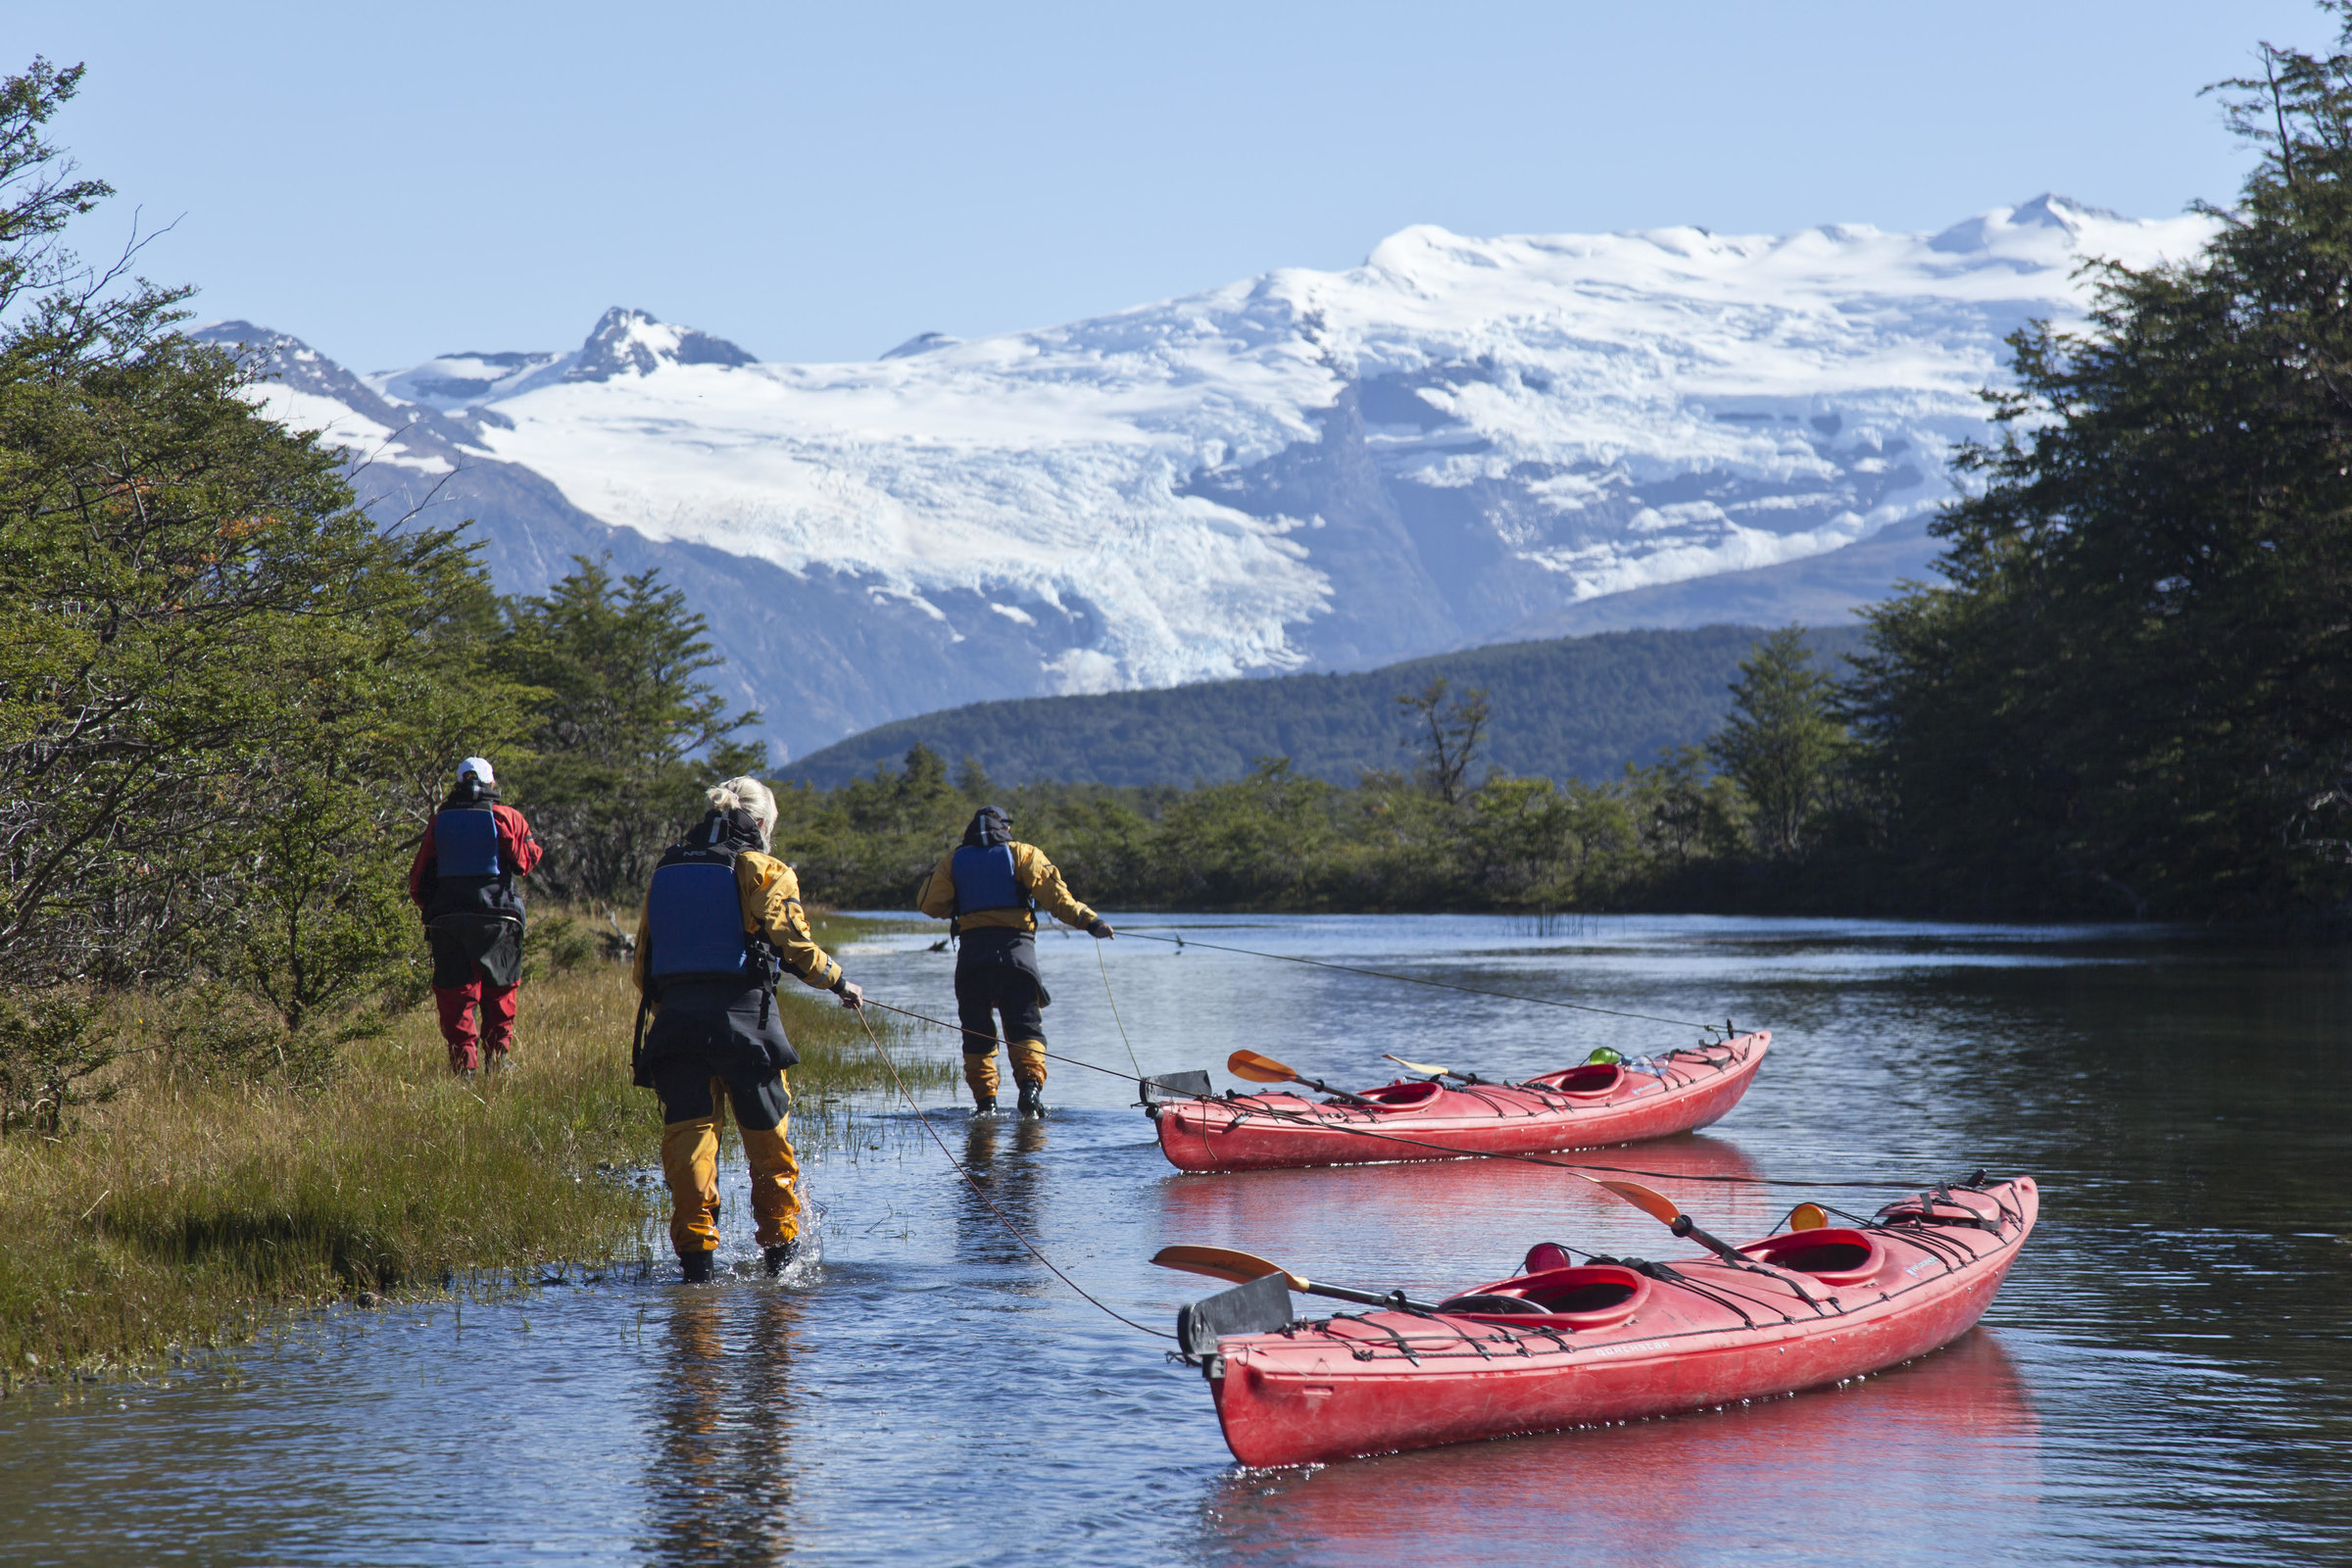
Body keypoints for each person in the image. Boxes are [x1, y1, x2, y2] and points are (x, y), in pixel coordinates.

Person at [632, 777, 863, 1284]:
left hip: (674, 1029)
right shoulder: (760, 866)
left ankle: (697, 1275)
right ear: (760, 824)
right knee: (769, 1149)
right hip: (745, 1029)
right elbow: (793, 943)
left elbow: (644, 960)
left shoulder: (666, 868)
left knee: (691, 1148)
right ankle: (782, 1265)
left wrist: (667, 1014)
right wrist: (838, 981)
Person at [916, 805, 1112, 1116]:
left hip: (973, 959)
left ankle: (985, 1105)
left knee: (976, 1032)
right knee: (1025, 1028)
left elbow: (929, 904)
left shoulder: (954, 860)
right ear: (1004, 828)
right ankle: (1030, 1093)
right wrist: (1091, 923)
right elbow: (1057, 899)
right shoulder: (1023, 853)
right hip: (1016, 958)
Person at [408, 757, 543, 1075]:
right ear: (491, 783)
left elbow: (418, 880)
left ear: (458, 782)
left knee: (456, 994)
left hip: (448, 919)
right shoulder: (506, 817)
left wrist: (432, 911)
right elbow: (526, 861)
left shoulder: (440, 822)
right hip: (501, 918)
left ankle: (463, 1069)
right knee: (501, 990)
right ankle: (498, 1061)